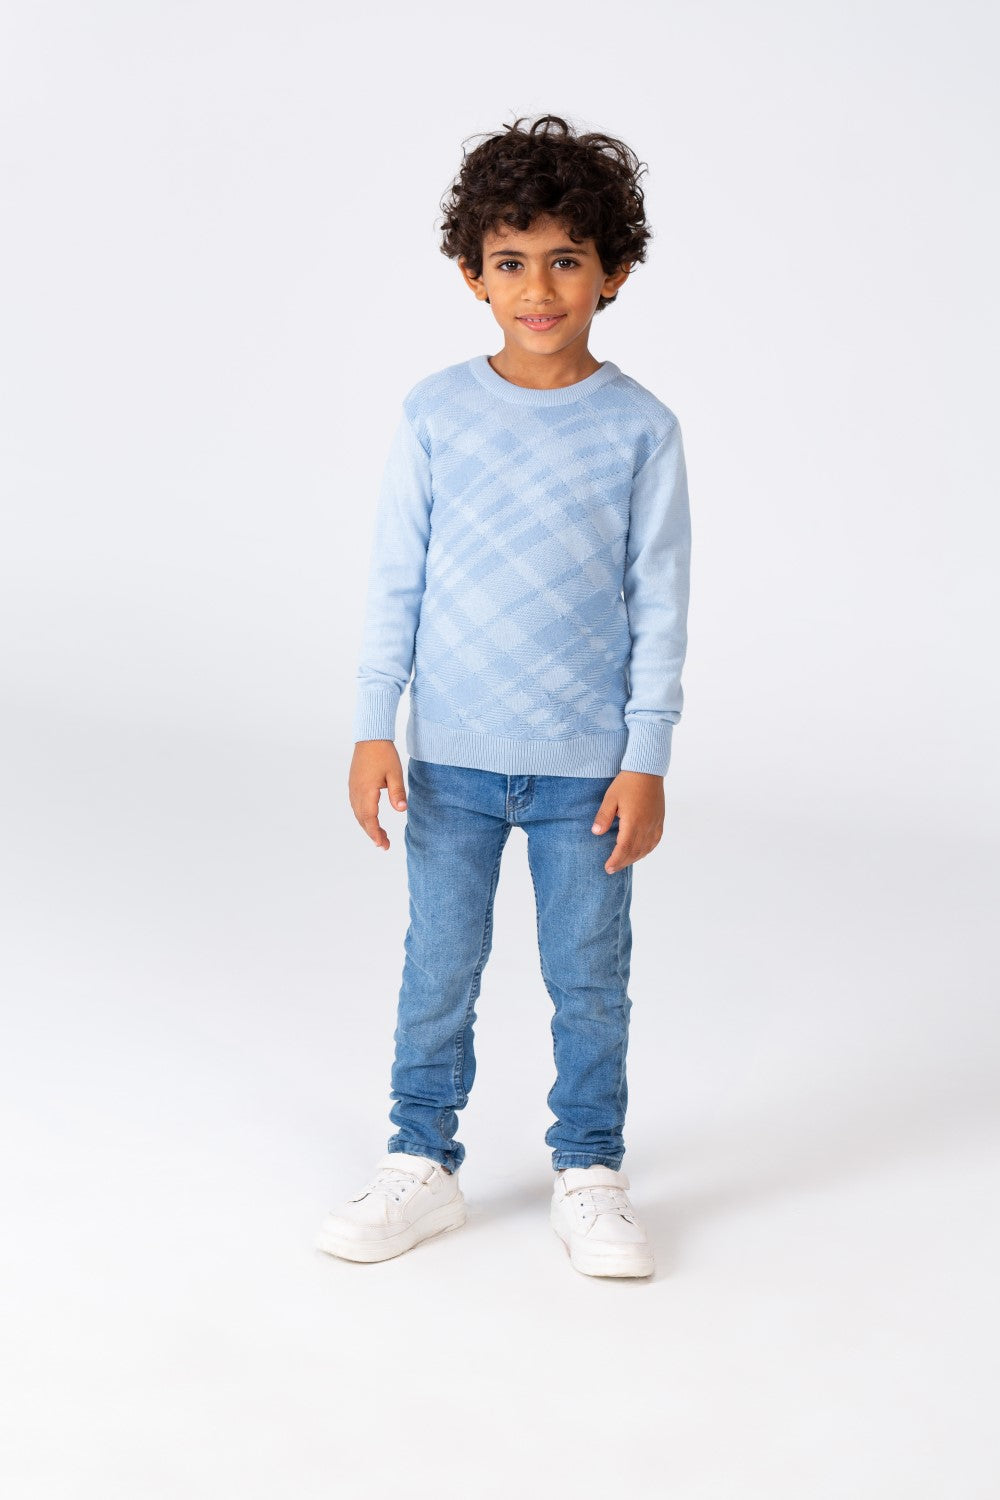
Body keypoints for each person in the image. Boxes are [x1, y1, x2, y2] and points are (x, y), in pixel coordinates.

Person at [317, 114, 692, 1278]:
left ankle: (590, 1171)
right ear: (472, 273)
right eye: (510, 260)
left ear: (613, 272)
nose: (538, 288)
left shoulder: (641, 428)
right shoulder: (435, 412)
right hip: (451, 761)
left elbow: (661, 602)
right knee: (440, 967)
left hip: (588, 772)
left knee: (589, 979)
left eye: (566, 259)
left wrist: (647, 755)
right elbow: (397, 577)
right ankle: (420, 1163)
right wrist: (373, 725)